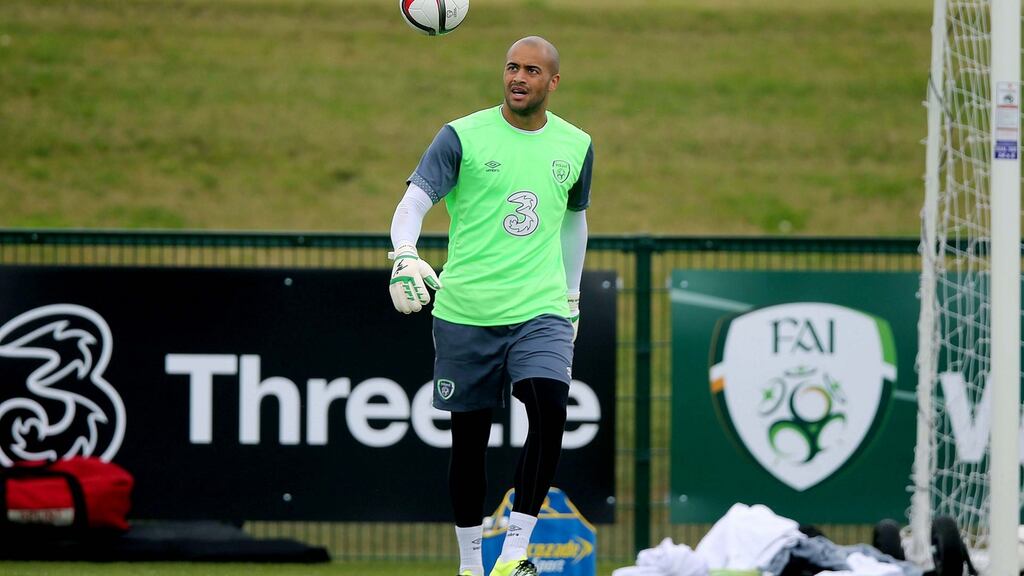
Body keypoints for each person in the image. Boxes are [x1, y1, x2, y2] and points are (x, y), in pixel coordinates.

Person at [387, 35, 593, 576]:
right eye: (511, 67)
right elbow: (413, 202)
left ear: (553, 82)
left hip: (541, 309)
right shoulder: (462, 136)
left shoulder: (576, 145)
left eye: (531, 70)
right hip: (466, 311)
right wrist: (405, 256)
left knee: (549, 408)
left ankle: (516, 552)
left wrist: (571, 299)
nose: (518, 77)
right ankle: (471, 564)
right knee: (469, 443)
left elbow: (575, 220)